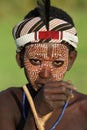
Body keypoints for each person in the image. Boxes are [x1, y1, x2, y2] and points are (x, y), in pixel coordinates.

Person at [0, 1, 87, 130]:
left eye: (57, 62)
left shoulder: (83, 110)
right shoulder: (6, 103)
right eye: (35, 61)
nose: (45, 74)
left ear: (71, 60)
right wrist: (38, 113)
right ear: (20, 59)